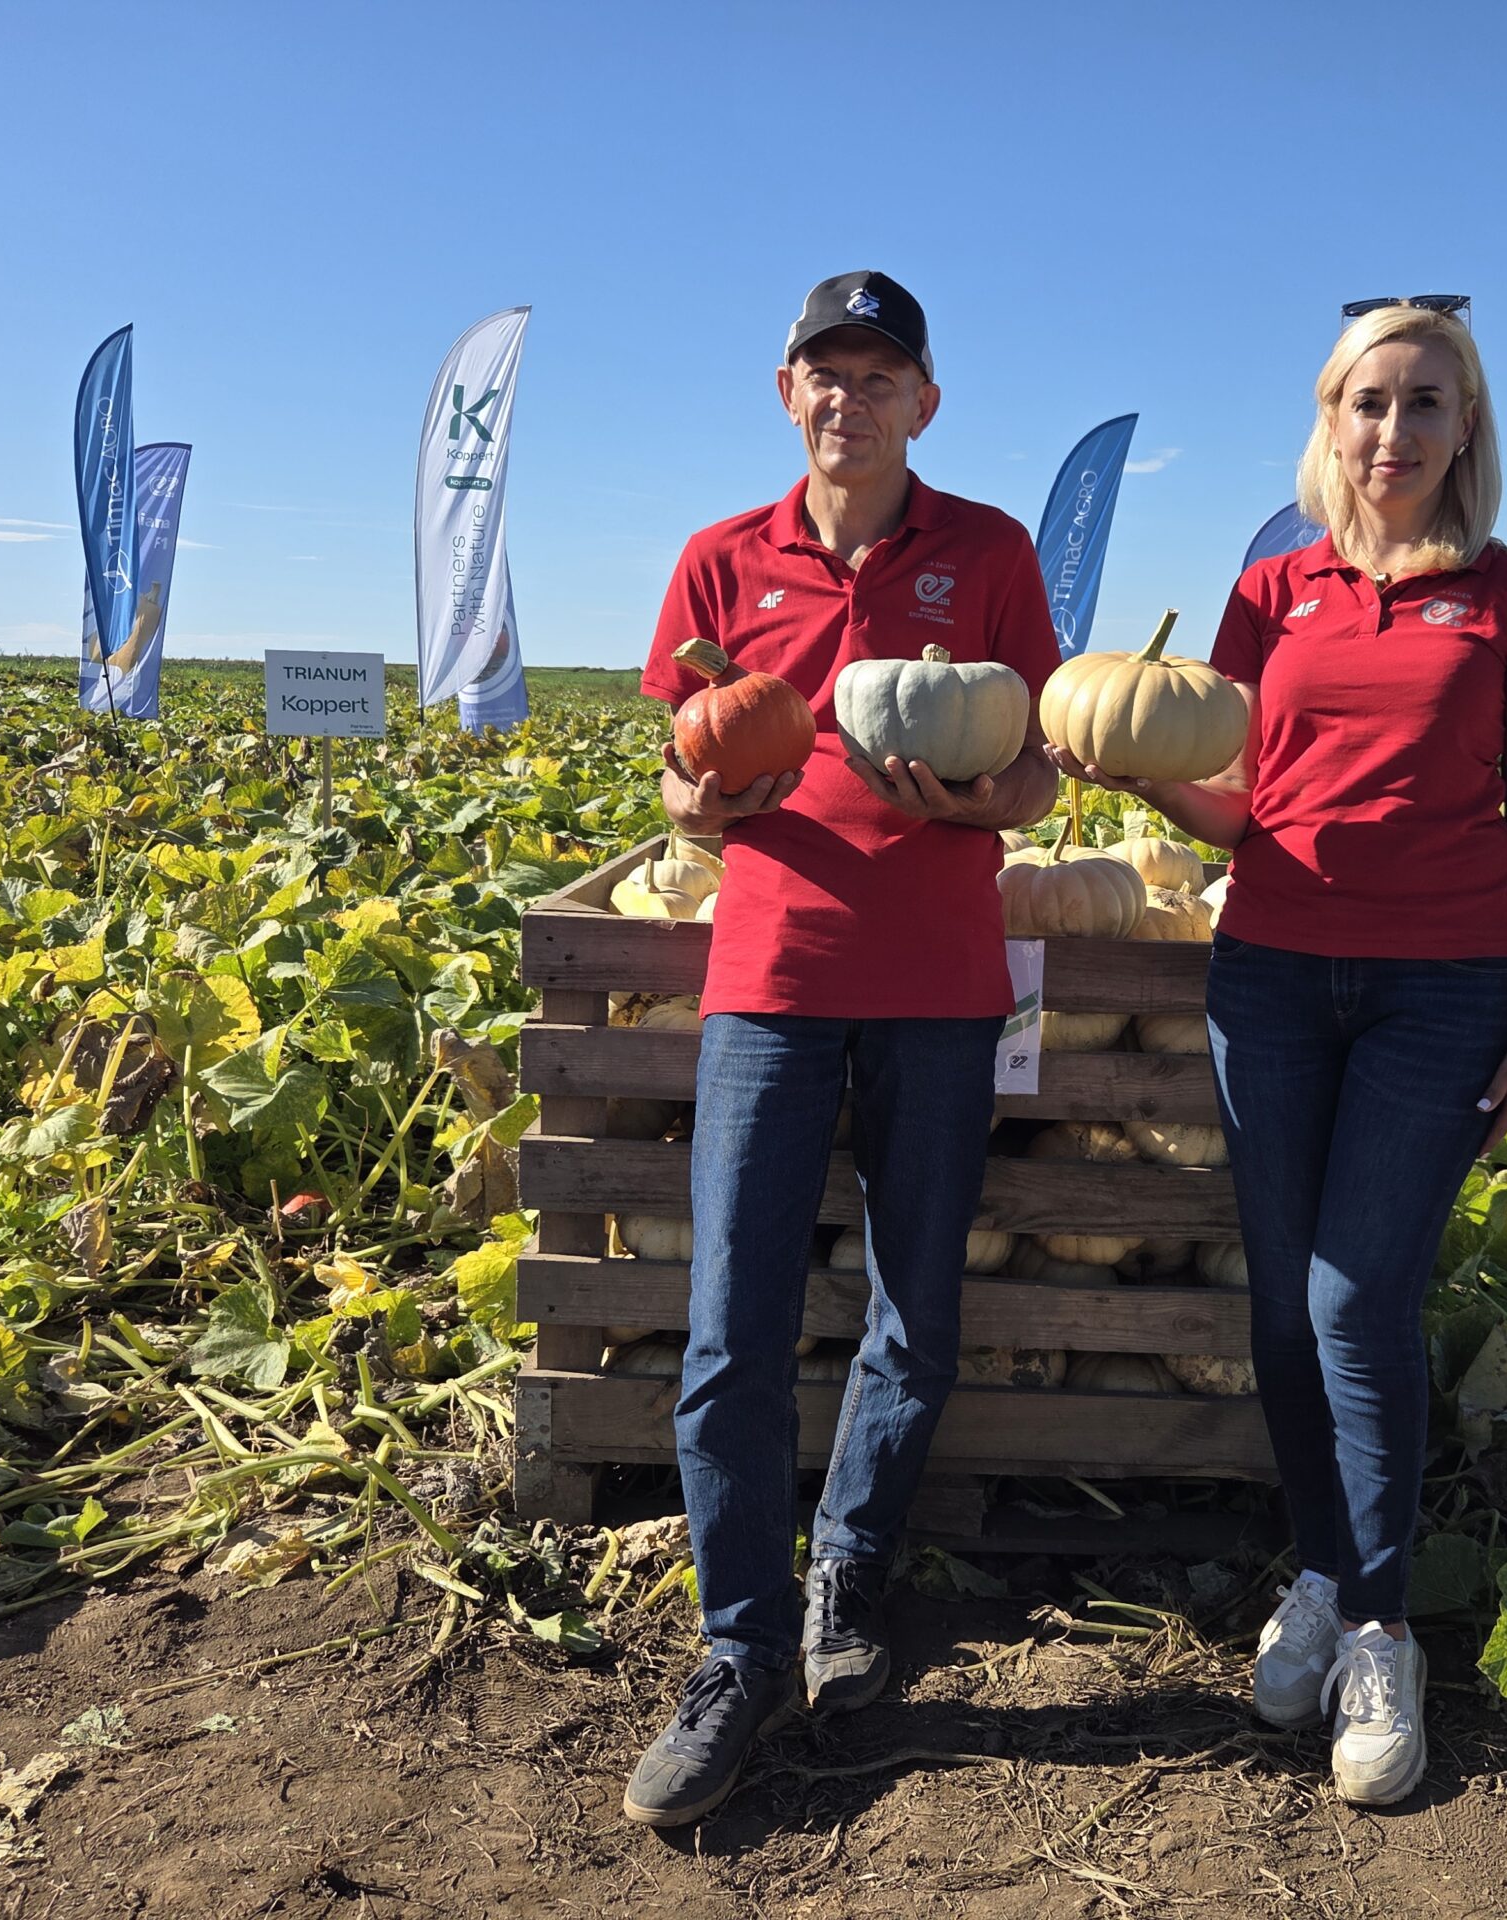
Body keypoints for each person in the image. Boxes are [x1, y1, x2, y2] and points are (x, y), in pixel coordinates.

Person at [1049, 296, 1507, 1806]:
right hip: (1271, 975)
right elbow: (1243, 798)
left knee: (1357, 1299)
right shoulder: (1270, 589)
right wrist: (1145, 782)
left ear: (1466, 425)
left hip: (1445, 995)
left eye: (1425, 402)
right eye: (1368, 402)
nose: (1394, 431)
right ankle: (1323, 1571)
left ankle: (1378, 1625)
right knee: (1282, 1311)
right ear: (1328, 420)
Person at [623, 270, 1061, 1827]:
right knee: (730, 1330)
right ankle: (737, 1647)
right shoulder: (719, 560)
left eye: (881, 376)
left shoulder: (991, 553)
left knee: (914, 1311)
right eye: (826, 371)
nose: (850, 397)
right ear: (787, 391)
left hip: (944, 988)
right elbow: (682, 760)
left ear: (923, 403)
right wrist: (689, 802)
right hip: (770, 978)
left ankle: (849, 1580)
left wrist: (981, 802)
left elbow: (1039, 779)